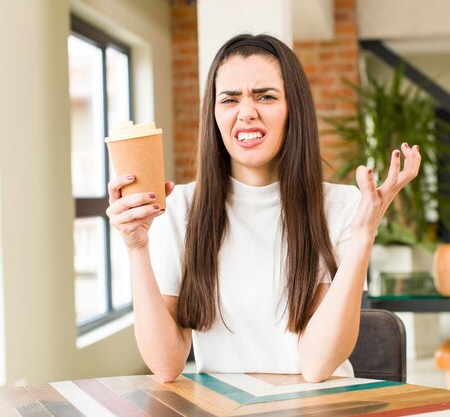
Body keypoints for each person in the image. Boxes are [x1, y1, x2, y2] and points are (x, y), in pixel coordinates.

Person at [106, 34, 421, 383]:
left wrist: (364, 236)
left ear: (293, 109)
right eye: (229, 99)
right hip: (223, 407)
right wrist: (136, 248)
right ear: (213, 114)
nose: (246, 113)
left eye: (265, 96)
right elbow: (166, 366)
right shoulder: (179, 208)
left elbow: (316, 366)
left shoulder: (343, 207)